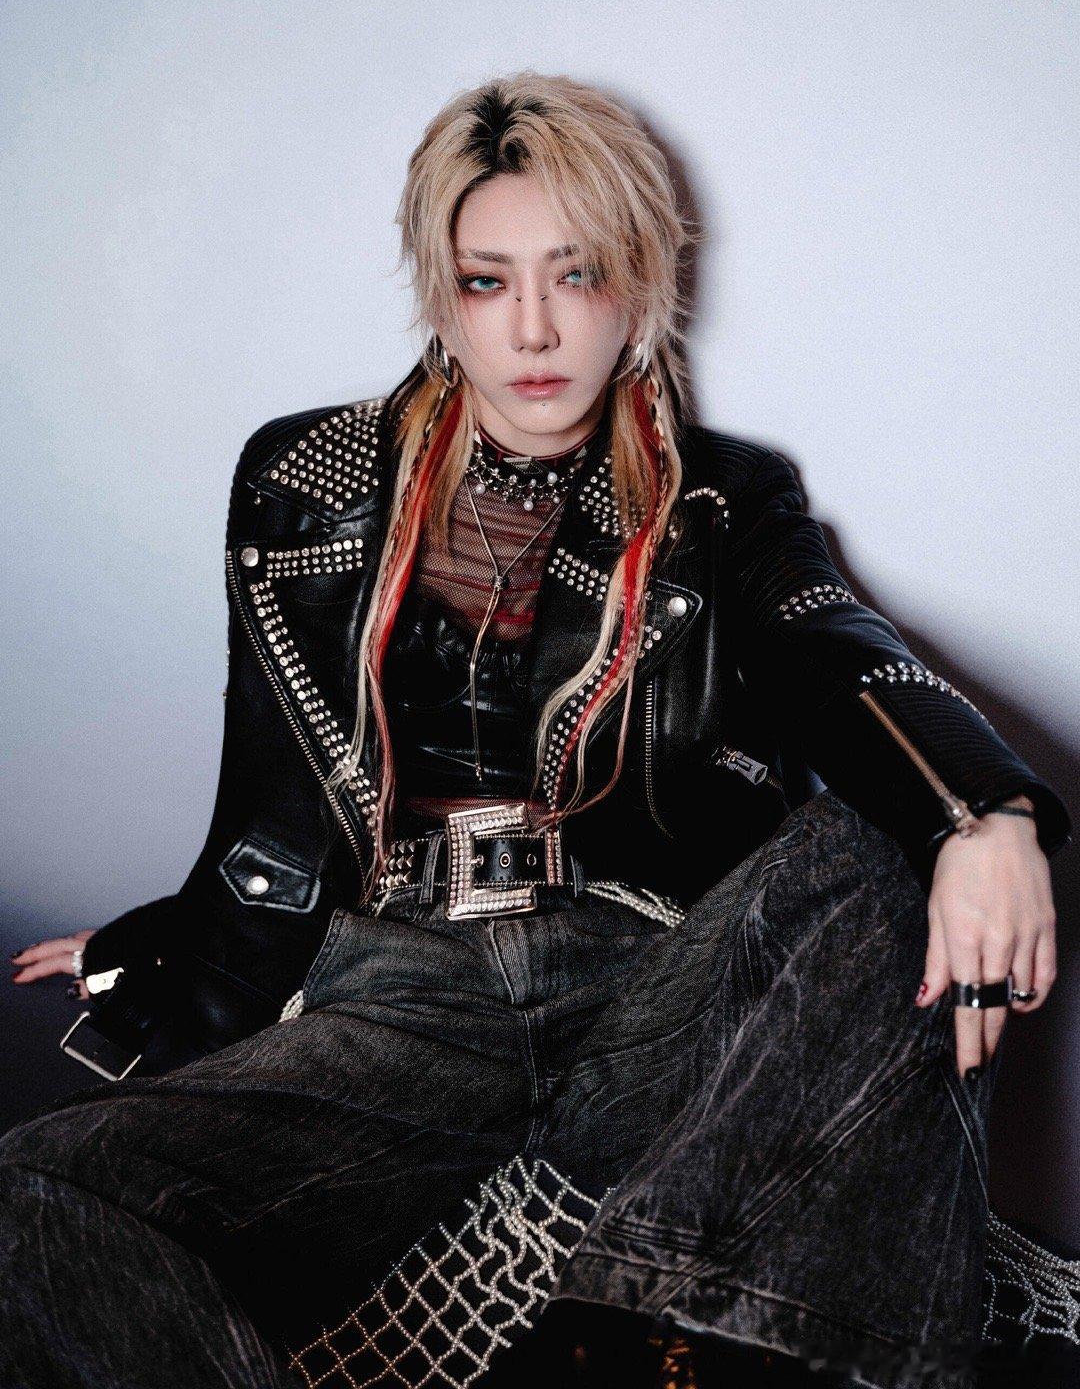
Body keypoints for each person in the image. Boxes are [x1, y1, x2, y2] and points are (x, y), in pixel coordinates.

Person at [1, 70, 1071, 1389]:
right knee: (33, 1198)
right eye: (488, 280)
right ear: (440, 296)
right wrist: (186, 941)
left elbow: (829, 642)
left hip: (653, 982)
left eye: (578, 274)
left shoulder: (723, 498)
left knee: (874, 844)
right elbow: (274, 780)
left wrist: (982, 815)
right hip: (407, 996)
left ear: (640, 285)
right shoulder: (303, 481)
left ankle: (637, 1349)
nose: (536, 328)